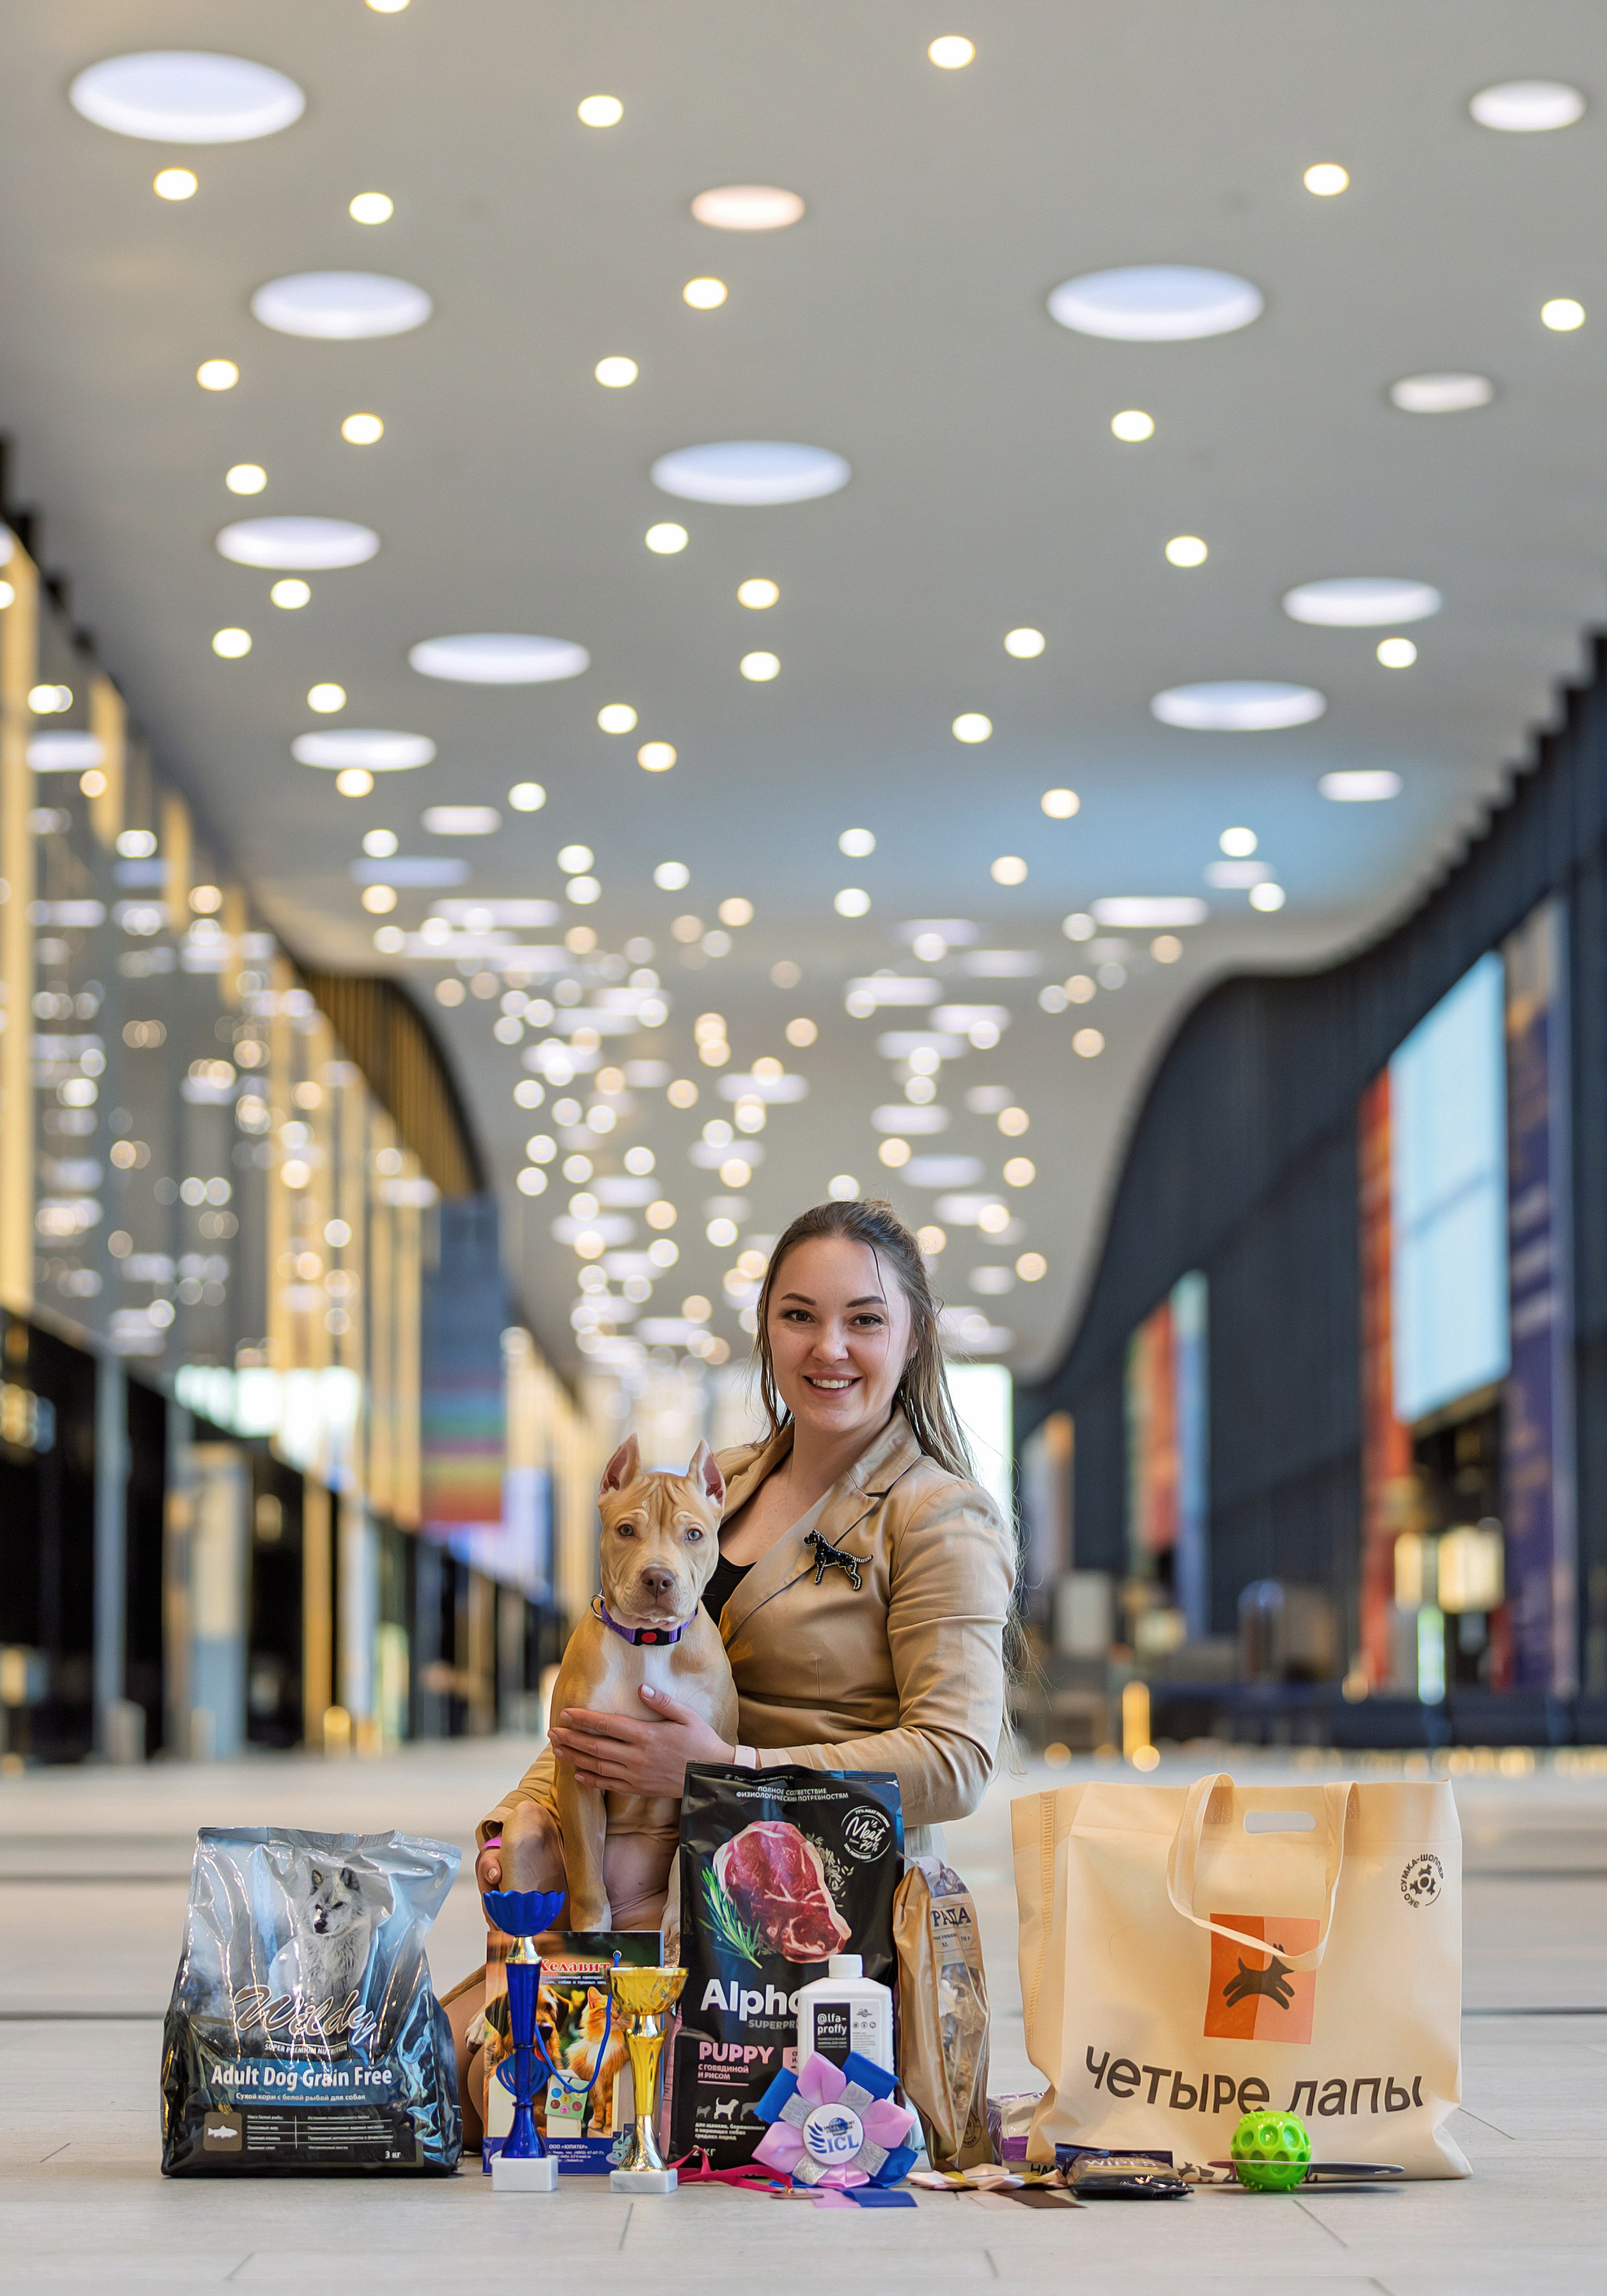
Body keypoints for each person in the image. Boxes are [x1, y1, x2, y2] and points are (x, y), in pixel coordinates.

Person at [446, 1196, 1016, 2135]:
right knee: (421, 2083)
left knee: (535, 2106)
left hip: (795, 1931)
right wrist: (528, 1818)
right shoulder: (716, 1486)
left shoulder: (937, 1516)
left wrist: (732, 1777)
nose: (829, 1347)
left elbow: (956, 1763)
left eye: (864, 1320)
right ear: (768, 1330)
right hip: (632, 1895)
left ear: (914, 1340)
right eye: (800, 1316)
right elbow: (610, 1683)